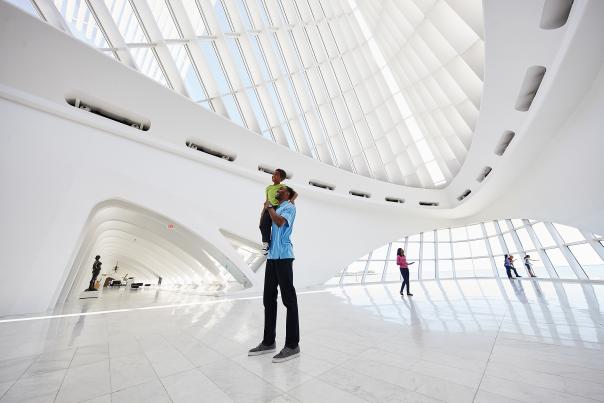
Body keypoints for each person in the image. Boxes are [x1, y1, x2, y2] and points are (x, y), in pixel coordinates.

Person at [249, 186, 300, 363]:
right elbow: (263, 224)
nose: (278, 191)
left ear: (288, 194)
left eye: (282, 190)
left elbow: (279, 222)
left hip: (285, 257)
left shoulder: (290, 208)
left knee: (289, 301)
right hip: (272, 258)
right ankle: (268, 342)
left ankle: (293, 346)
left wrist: (270, 207)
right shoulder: (276, 208)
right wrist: (266, 208)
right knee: (268, 300)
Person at [259, 169, 296, 255]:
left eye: (276, 175)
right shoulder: (268, 188)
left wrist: (292, 201)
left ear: (281, 179)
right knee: (262, 225)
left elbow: (295, 194)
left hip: (277, 207)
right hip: (268, 208)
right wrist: (263, 212)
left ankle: (284, 245)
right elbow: (267, 200)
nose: (273, 176)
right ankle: (266, 244)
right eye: (273, 174)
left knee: (278, 227)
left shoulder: (282, 186)